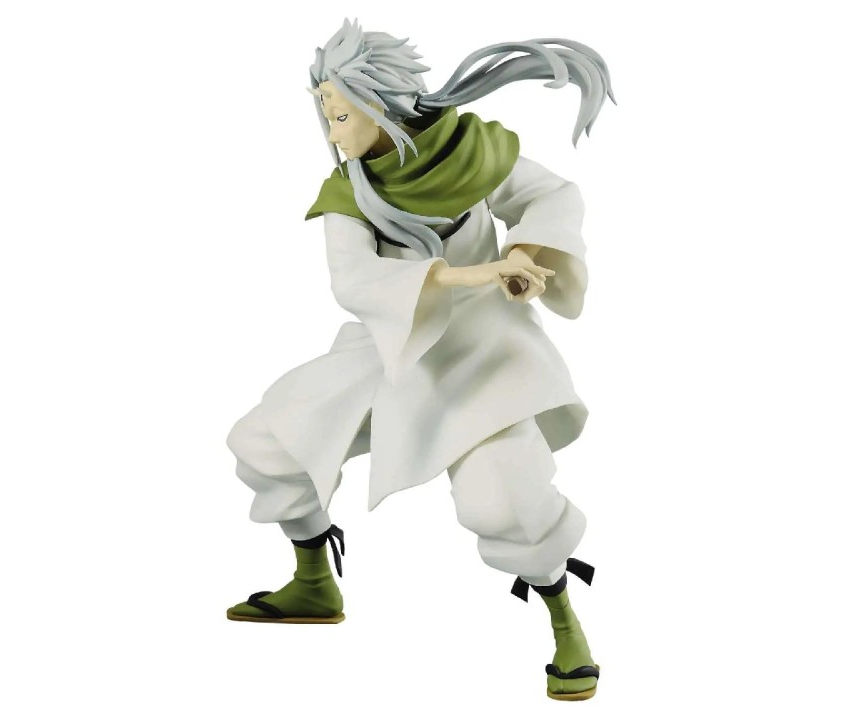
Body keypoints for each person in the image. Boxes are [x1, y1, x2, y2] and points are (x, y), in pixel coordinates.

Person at [224, 19, 614, 701]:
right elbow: (354, 282)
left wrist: (524, 256)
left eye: (342, 115)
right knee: (270, 441)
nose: (334, 132)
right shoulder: (350, 193)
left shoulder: (471, 150)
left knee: (506, 501)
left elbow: (551, 195)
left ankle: (564, 622)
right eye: (327, 116)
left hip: (487, 352)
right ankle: (314, 584)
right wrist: (467, 273)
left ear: (379, 106)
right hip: (394, 350)